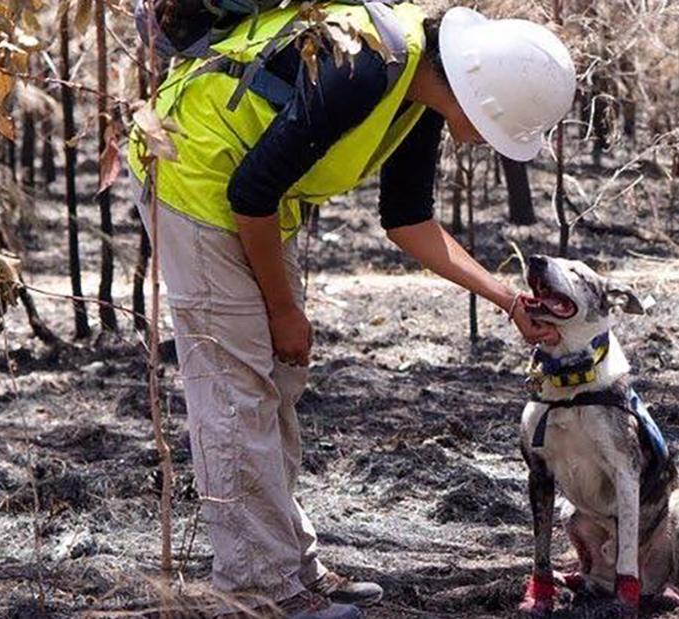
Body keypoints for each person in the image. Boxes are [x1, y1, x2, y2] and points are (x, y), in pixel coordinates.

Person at [127, 3, 574, 618]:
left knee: (276, 383)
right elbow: (248, 195)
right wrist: (284, 312)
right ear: (480, 99)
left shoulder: (422, 87)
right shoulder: (367, 67)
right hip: (193, 176)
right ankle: (260, 591)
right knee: (237, 391)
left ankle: (290, 564)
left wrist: (507, 301)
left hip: (248, 195)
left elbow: (408, 220)